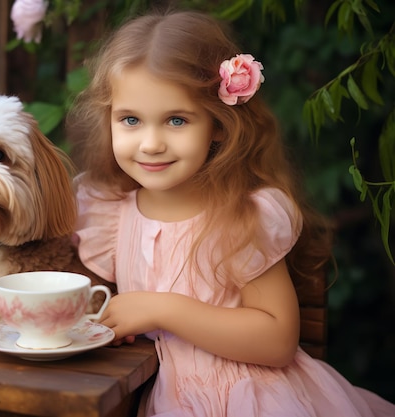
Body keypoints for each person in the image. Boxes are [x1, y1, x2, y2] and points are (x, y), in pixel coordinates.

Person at [67, 10, 395, 417]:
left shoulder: (239, 215)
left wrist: (160, 309)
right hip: (163, 395)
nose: (150, 143)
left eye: (176, 120)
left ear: (219, 124)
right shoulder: (109, 211)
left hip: (251, 396)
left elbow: (277, 342)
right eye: (130, 120)